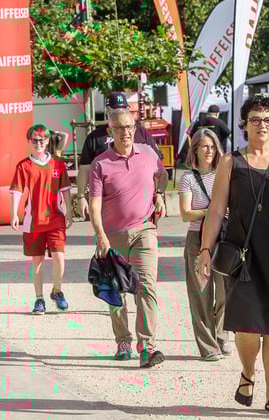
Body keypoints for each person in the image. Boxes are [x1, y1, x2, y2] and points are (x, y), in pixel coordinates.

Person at [196, 92, 269, 416]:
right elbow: (217, 209)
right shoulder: (229, 162)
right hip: (244, 258)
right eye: (255, 120)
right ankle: (248, 372)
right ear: (244, 125)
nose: (261, 125)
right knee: (247, 328)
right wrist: (205, 250)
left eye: (267, 120)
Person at [88, 108, 169, 367]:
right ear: (110, 131)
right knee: (117, 290)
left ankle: (146, 345)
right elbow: (95, 204)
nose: (126, 132)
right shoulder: (100, 163)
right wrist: (100, 236)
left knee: (146, 286)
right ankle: (122, 340)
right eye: (120, 128)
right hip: (113, 236)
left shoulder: (147, 154)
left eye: (130, 127)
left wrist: (159, 194)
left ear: (135, 128)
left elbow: (163, 175)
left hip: (144, 229)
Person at [179, 128, 232, 361]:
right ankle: (207, 346)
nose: (209, 151)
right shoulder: (188, 178)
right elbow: (185, 213)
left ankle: (221, 335)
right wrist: (213, 212)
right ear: (195, 150)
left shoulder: (224, 173)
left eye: (212, 146)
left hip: (224, 238)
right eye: (204, 146)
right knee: (200, 295)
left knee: (224, 293)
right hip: (196, 239)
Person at [10, 124, 72, 315]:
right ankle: (39, 299)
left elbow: (65, 190)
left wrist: (69, 211)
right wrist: (14, 213)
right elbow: (17, 190)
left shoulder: (58, 164)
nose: (38, 143)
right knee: (37, 260)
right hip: (33, 220)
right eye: (35, 140)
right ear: (29, 141)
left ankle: (57, 290)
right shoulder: (23, 165)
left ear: (47, 141)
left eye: (42, 140)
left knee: (59, 257)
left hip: (55, 219)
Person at [77, 91, 160, 218]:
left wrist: (158, 194)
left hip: (142, 202)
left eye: (123, 109)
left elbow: (157, 166)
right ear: (107, 111)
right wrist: (81, 196)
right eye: (115, 110)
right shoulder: (94, 137)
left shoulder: (141, 133)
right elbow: (84, 169)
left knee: (147, 236)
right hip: (110, 202)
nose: (120, 113)